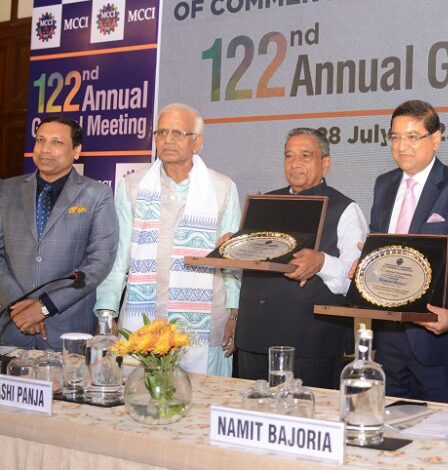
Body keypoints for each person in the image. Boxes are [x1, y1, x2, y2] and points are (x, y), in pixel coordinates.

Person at [95, 103, 241, 376]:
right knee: (142, 402)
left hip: (205, 324)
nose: (167, 140)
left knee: (203, 407)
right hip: (143, 322)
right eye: (161, 133)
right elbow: (119, 257)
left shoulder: (222, 188)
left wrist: (234, 314)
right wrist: (107, 312)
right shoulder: (132, 187)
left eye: (177, 133)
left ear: (197, 142)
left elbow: (232, 260)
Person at [369, 100, 448, 404]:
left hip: (438, 340)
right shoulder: (383, 184)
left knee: (440, 434)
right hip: (388, 337)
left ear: (436, 140)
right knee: (392, 432)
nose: (401, 146)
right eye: (394, 137)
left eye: (412, 136)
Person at [235, 128, 368, 389]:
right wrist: (233, 245)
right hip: (254, 338)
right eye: (289, 156)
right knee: (252, 419)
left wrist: (321, 262)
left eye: (305, 156)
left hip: (310, 343)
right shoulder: (265, 203)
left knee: (307, 420)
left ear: (325, 163)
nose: (295, 163)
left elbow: (354, 280)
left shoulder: (345, 209)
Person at [0, 115, 118, 349]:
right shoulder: (7, 190)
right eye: (40, 140)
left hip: (68, 329)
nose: (45, 149)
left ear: (77, 151)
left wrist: (44, 307)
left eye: (57, 142)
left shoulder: (97, 195)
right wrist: (21, 306)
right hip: (13, 324)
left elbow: (99, 261)